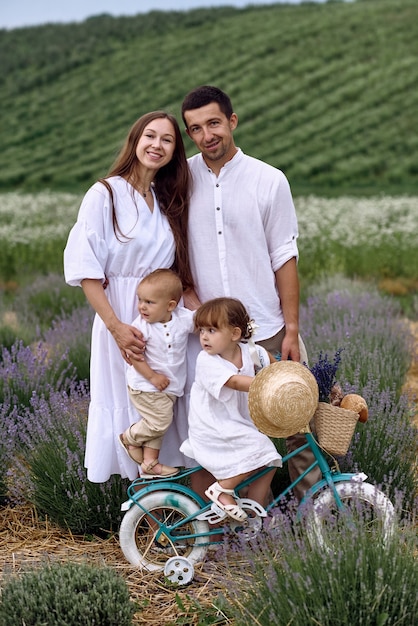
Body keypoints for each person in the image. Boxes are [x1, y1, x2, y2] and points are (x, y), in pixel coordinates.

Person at [181, 85, 320, 501]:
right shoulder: (181, 180)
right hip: (211, 339)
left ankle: (316, 514)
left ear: (232, 121)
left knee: (297, 428)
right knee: (214, 433)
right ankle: (214, 527)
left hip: (268, 327)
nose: (207, 136)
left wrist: (292, 328)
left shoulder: (269, 180)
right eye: (196, 128)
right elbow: (173, 248)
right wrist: (190, 294)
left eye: (214, 123)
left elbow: (284, 257)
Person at [64, 111, 194, 483]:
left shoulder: (163, 199)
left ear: (174, 151)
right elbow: (86, 269)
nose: (157, 145)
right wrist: (117, 327)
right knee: (128, 397)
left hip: (162, 320)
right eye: (150, 136)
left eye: (167, 140)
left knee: (164, 398)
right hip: (120, 311)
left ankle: (161, 501)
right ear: (135, 141)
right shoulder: (105, 193)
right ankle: (137, 500)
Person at [180, 297, 282, 521]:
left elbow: (278, 367)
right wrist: (270, 384)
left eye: (212, 330)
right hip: (213, 427)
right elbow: (234, 382)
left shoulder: (253, 353)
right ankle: (221, 489)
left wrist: (291, 379)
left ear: (235, 334)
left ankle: (253, 514)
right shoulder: (206, 360)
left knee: (270, 460)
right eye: (202, 330)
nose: (204, 336)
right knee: (261, 446)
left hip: (237, 425)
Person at [118, 269, 194, 479]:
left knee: (158, 423)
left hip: (169, 388)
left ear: (170, 306)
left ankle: (150, 463)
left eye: (149, 302)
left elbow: (202, 321)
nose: (141, 306)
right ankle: (130, 437)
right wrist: (152, 376)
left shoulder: (182, 319)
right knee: (159, 421)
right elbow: (135, 358)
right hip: (146, 386)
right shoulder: (141, 327)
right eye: (140, 300)